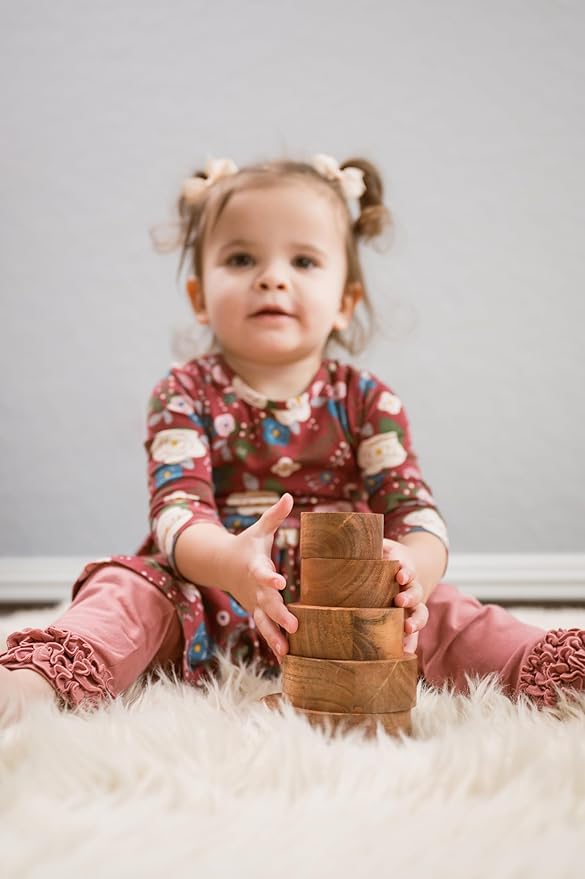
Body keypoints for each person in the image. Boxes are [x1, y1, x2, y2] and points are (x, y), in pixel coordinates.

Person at [1, 153, 583, 729]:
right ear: (200, 297)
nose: (272, 276)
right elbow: (176, 512)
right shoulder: (183, 392)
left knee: (449, 615)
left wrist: (416, 570)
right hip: (208, 593)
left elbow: (415, 509)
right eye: (242, 257)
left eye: (303, 260)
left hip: (349, 600)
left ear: (345, 302)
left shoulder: (367, 400)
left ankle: (555, 669)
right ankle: (35, 681)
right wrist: (230, 563)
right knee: (124, 589)